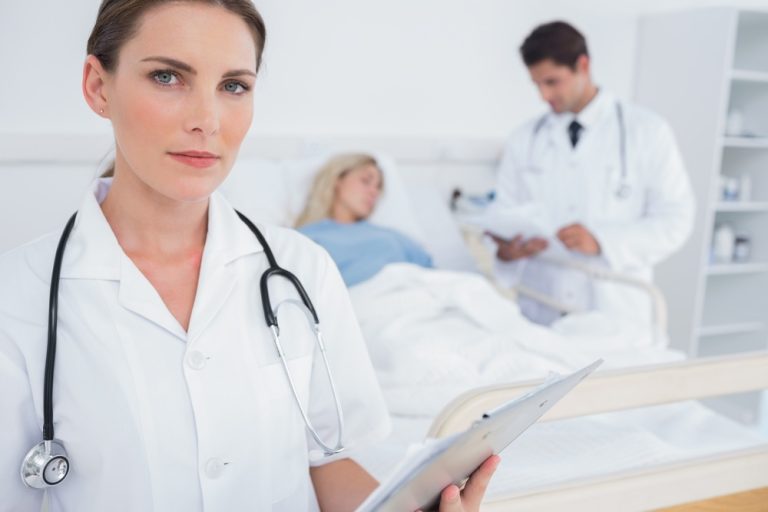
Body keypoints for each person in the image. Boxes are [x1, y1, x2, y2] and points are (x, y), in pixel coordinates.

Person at [0, 2, 498, 511]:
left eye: (233, 86)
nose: (207, 120)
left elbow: (328, 461)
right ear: (98, 87)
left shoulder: (303, 269)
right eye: (167, 77)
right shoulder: (15, 297)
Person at [486, 21, 695, 331]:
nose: (544, 95)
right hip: (541, 309)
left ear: (583, 66)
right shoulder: (523, 139)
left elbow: (676, 220)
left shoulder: (647, 132)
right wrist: (507, 251)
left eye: (552, 82)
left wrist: (602, 241)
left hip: (615, 312)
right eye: (537, 84)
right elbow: (503, 213)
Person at [296, 153, 434, 287]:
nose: (374, 192)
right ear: (338, 179)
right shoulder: (306, 238)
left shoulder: (394, 236)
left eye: (378, 187)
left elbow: (435, 276)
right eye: (366, 181)